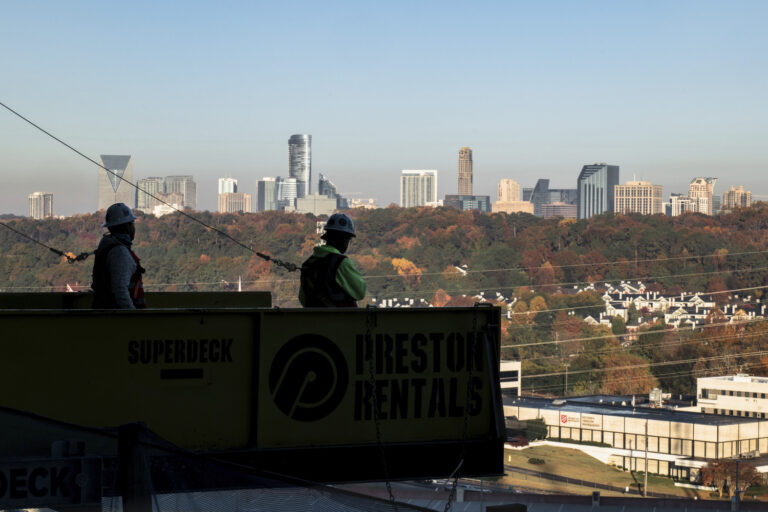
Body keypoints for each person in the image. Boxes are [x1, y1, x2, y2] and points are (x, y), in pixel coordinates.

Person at [299, 213, 366, 307]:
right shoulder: (341, 263)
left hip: (313, 319)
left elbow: (303, 298)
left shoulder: (309, 263)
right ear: (343, 240)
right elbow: (360, 292)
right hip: (341, 319)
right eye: (348, 240)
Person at [91, 203, 146, 309]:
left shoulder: (110, 247)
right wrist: (133, 316)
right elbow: (120, 291)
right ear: (127, 227)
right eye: (132, 223)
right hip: (120, 320)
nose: (134, 227)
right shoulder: (119, 252)